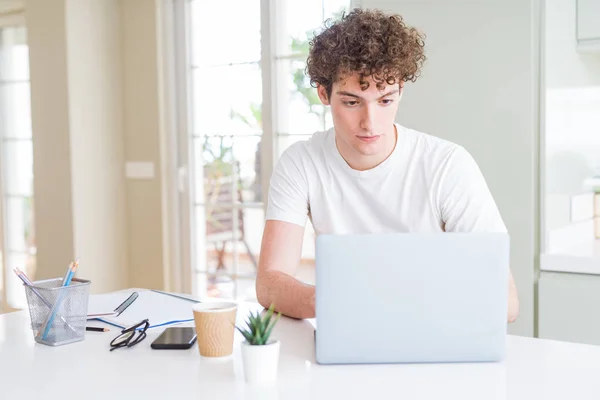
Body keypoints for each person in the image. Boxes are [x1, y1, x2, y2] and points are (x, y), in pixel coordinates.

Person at [255, 9, 519, 323]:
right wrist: (329, 299)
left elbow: (506, 304)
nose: (370, 123)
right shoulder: (301, 163)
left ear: (401, 90)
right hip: (350, 334)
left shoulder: (447, 165)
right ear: (324, 94)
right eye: (352, 102)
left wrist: (401, 304)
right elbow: (269, 283)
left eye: (385, 101)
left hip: (435, 332)